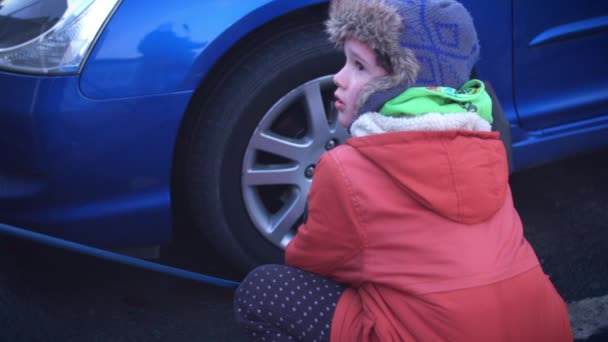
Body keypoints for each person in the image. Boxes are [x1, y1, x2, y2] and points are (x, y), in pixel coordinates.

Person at [233, 0, 574, 341]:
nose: (339, 77)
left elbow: (310, 262)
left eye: (359, 66)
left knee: (263, 291)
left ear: (398, 85)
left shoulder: (345, 168)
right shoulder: (485, 145)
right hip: (541, 327)